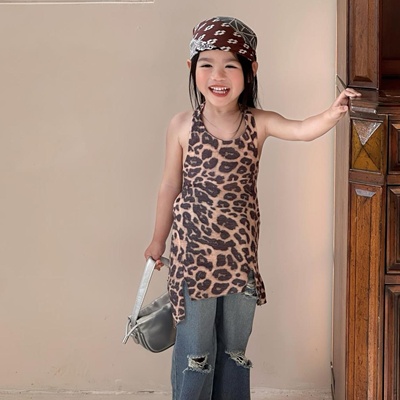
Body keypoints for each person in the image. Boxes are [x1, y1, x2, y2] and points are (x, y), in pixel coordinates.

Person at [144, 16, 360, 400]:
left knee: (233, 349)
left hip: (240, 259)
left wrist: (333, 112)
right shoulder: (182, 126)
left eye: (230, 65)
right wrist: (158, 241)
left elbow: (301, 129)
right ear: (192, 68)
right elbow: (169, 187)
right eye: (207, 64)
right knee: (196, 351)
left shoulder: (258, 123)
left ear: (250, 70)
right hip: (193, 259)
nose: (218, 75)